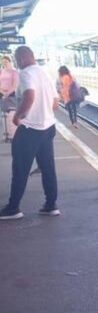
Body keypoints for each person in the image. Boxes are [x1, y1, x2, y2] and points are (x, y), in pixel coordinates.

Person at [0, 46, 61, 220]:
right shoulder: (45, 73)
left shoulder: (26, 74)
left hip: (30, 129)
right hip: (48, 127)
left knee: (20, 169)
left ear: (21, 58)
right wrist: (43, 113)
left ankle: (13, 208)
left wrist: (18, 116)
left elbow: (30, 96)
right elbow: (55, 103)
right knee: (48, 168)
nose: (17, 62)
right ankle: (51, 205)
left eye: (16, 58)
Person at [0, 55, 19, 141]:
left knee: (11, 114)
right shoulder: (1, 71)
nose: (4, 63)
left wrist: (7, 93)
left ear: (10, 62)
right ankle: (5, 135)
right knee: (3, 115)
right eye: (3, 62)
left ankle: (13, 135)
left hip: (11, 95)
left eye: (6, 61)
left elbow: (15, 85)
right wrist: (2, 92)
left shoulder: (14, 72)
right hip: (1, 94)